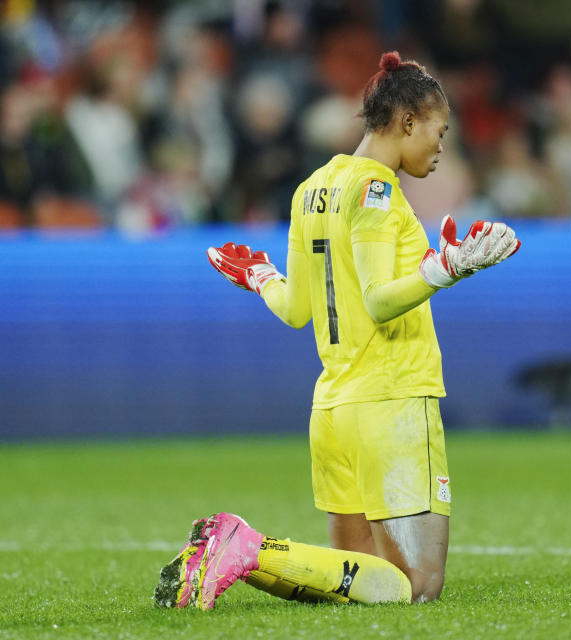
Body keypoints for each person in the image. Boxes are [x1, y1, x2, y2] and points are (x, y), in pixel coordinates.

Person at [153, 51, 520, 609]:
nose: (441, 147)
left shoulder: (311, 190)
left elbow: (296, 308)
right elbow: (377, 300)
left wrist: (260, 276)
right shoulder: (377, 190)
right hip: (391, 403)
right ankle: (250, 548)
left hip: (333, 409)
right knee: (415, 585)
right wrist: (446, 269)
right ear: (406, 122)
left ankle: (236, 553)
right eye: (439, 132)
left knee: (358, 581)